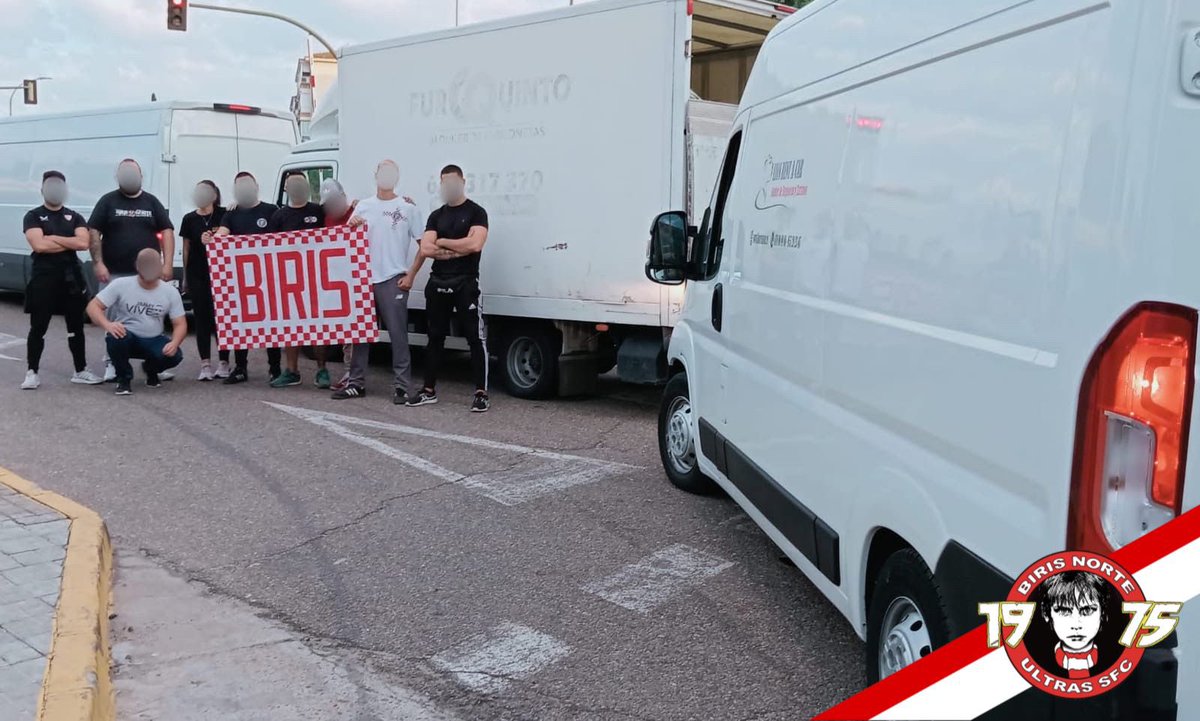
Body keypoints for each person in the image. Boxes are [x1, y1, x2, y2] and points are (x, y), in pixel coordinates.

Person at [406, 164, 490, 412]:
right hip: (438, 282)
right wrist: (455, 248)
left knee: (475, 338)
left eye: (453, 181)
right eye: (445, 182)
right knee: (435, 338)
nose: (449, 186)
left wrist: (442, 243)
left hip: (466, 282)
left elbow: (475, 245)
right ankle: (428, 390)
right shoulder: (436, 215)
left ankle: (481, 393)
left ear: (463, 181)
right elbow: (426, 248)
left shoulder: (477, 213)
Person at [337, 160, 423, 403]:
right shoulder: (363, 207)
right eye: (382, 171)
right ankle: (356, 383)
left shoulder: (407, 208)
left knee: (398, 335)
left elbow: (423, 246)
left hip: (392, 278)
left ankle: (403, 386)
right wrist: (351, 225)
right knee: (361, 334)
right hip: (363, 279)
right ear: (375, 175)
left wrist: (411, 274)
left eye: (391, 171)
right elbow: (344, 243)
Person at [88, 159, 176, 382]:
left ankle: (157, 361)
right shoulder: (108, 201)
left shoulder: (151, 202)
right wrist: (98, 262)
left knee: (153, 316)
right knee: (114, 318)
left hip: (149, 276)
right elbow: (93, 232)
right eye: (125, 173)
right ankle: (112, 363)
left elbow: (166, 231)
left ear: (141, 176)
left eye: (133, 173)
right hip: (115, 272)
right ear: (117, 177)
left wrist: (167, 264)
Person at [20, 171, 104, 389]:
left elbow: (83, 243)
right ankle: (32, 372)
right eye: (50, 185)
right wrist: (69, 241)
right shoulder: (33, 216)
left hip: (71, 278)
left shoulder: (74, 216)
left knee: (76, 325)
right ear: (42, 189)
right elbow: (39, 245)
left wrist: (53, 238)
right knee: (38, 327)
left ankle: (80, 370)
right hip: (43, 278)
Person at [86, 249, 186, 396]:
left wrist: (175, 342)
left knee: (175, 355)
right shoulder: (121, 284)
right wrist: (108, 324)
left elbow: (180, 323)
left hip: (154, 338)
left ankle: (151, 369)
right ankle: (124, 379)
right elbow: (93, 306)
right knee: (115, 338)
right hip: (127, 336)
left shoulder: (170, 292)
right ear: (137, 266)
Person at [214, 172, 280, 384]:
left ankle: (275, 369)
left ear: (256, 186)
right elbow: (222, 234)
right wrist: (212, 239)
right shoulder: (231, 214)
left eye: (247, 185)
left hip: (268, 278)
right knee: (240, 322)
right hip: (240, 280)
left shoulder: (271, 210)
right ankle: (240, 367)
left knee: (271, 324)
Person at [267, 172, 327, 388]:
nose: (297, 187)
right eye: (293, 184)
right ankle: (292, 371)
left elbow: (341, 223)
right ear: (286, 189)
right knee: (291, 326)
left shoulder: (319, 211)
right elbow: (267, 247)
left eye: (300, 183)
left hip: (317, 277)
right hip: (289, 280)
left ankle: (322, 370)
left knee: (318, 327)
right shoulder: (279, 216)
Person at [180, 180, 229, 381]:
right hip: (197, 273)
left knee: (221, 319)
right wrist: (185, 276)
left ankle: (224, 362)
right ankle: (205, 364)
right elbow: (186, 249)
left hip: (221, 273)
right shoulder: (189, 219)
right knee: (201, 319)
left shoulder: (224, 214)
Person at [1042, 572, 1108, 679]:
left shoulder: (1115, 660)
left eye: (1087, 610)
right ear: (1046, 614)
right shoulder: (1039, 663)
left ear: (1102, 612)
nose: (1076, 625)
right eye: (1064, 611)